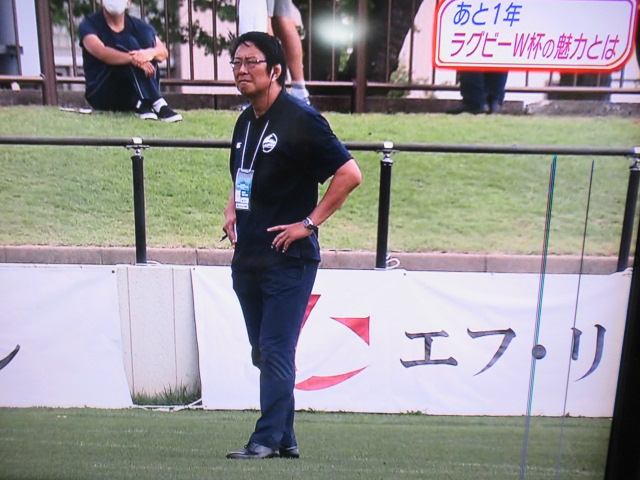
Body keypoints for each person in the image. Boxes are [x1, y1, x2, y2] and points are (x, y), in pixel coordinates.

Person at [223, 31, 362, 460]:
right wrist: (232, 207)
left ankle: (266, 439)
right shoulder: (245, 121)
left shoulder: (301, 119)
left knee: (276, 349)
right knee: (262, 352)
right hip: (249, 255)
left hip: (289, 258)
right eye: (236, 62)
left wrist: (308, 223)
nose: (242, 70)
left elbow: (350, 174)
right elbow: (243, 173)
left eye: (251, 62)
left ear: (276, 71)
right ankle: (286, 437)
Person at [78, 0, 182, 122]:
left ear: (129, 2)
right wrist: (134, 59)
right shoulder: (89, 24)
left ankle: (144, 103)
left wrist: (148, 54)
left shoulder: (139, 26)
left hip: (131, 93)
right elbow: (102, 52)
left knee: (145, 46)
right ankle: (157, 102)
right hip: (102, 92)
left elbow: (162, 52)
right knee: (129, 44)